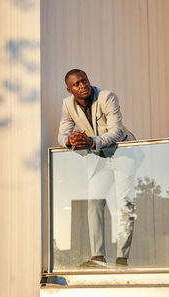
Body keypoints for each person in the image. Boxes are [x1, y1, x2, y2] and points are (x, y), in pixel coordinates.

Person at [58, 69, 137, 267]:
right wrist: (71, 139)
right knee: (94, 204)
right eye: (76, 84)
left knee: (124, 205)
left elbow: (117, 132)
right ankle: (98, 257)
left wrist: (90, 140)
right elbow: (61, 136)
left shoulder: (107, 97)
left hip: (123, 154)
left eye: (84, 80)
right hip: (99, 159)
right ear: (69, 89)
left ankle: (122, 258)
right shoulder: (67, 105)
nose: (82, 85)